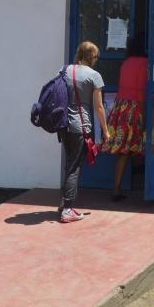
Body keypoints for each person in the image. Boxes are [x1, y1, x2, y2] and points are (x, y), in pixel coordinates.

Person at [59, 41, 110, 223]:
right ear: (92, 57)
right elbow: (98, 106)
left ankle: (64, 202)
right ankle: (67, 210)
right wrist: (105, 131)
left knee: (69, 164)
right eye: (96, 57)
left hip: (64, 125)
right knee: (74, 168)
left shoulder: (65, 71)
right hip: (81, 126)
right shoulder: (94, 76)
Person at [102, 34, 148, 201]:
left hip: (121, 107)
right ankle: (151, 186)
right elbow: (141, 90)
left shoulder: (126, 63)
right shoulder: (145, 63)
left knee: (123, 150)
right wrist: (145, 114)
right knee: (150, 145)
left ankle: (116, 188)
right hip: (135, 108)